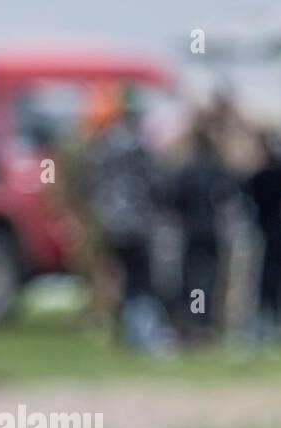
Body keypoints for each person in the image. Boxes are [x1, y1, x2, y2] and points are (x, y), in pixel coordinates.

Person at [85, 87, 172, 354]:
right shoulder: (138, 147)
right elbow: (156, 185)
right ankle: (144, 335)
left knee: (118, 279)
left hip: (111, 223)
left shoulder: (104, 146)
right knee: (141, 280)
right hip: (136, 225)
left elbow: (93, 185)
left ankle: (124, 333)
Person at [170, 124, 238, 343]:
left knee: (192, 282)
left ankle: (193, 321)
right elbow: (228, 198)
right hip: (212, 232)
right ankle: (203, 323)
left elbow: (173, 200)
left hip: (192, 232)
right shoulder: (217, 171)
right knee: (208, 281)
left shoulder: (187, 172)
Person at [243, 132, 281, 341]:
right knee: (276, 279)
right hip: (273, 235)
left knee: (276, 279)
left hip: (272, 235)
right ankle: (276, 320)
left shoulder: (268, 176)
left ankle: (278, 319)